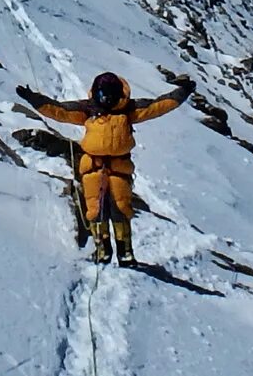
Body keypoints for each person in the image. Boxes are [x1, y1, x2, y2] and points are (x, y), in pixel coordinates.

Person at [16, 70, 196, 264]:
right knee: (96, 210)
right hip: (94, 167)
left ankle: (125, 252)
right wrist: (34, 98)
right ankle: (103, 251)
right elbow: (59, 110)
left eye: (110, 94)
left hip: (119, 168)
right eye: (103, 94)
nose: (106, 98)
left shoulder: (128, 109)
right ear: (96, 93)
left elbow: (158, 105)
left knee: (121, 208)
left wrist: (182, 92)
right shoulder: (88, 109)